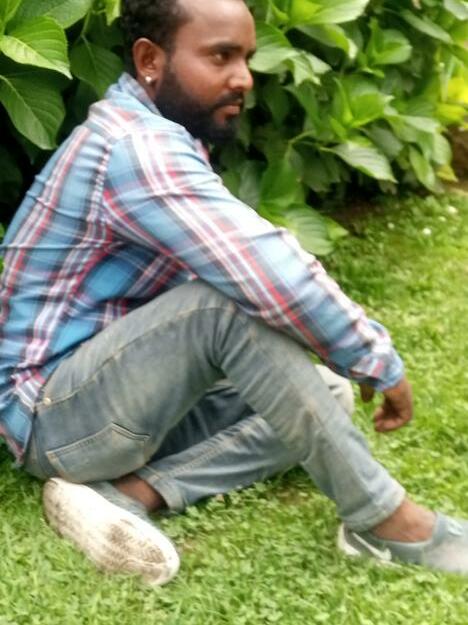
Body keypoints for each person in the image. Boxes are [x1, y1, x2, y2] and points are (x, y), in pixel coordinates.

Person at [0, 0, 467, 586]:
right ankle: (385, 522)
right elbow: (269, 271)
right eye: (220, 56)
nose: (244, 77)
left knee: (324, 395)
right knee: (222, 307)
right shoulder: (135, 149)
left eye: (245, 57)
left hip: (117, 397)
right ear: (150, 59)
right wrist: (374, 357)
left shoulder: (159, 134)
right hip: (52, 415)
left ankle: (130, 493)